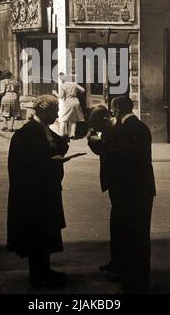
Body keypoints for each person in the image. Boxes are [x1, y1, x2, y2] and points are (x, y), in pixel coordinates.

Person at [7, 95, 71, 287]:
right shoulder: (26, 133)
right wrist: (50, 162)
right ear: (43, 112)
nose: (58, 114)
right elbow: (21, 167)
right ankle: (37, 275)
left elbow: (55, 145)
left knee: (45, 233)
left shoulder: (43, 129)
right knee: (37, 234)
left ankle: (45, 270)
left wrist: (61, 145)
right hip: (33, 195)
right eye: (54, 111)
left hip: (45, 192)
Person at [96, 96, 155, 293]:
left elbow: (115, 154)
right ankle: (126, 270)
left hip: (132, 191)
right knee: (129, 232)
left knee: (134, 235)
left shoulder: (128, 129)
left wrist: (95, 142)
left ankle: (135, 281)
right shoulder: (137, 127)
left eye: (114, 111)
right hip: (135, 189)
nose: (113, 115)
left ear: (119, 110)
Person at [87, 105, 120, 280]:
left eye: (98, 127)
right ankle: (116, 261)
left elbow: (111, 154)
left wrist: (95, 141)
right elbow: (103, 152)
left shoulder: (120, 131)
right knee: (116, 225)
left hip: (123, 186)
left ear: (106, 120)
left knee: (122, 225)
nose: (97, 130)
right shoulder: (108, 131)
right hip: (114, 184)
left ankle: (121, 264)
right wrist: (94, 141)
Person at [56, 73, 85, 138]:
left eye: (60, 78)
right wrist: (77, 92)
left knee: (63, 119)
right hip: (76, 101)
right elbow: (83, 90)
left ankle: (61, 135)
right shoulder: (74, 84)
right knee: (74, 119)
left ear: (62, 78)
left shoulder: (63, 86)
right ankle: (72, 134)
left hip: (69, 102)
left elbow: (61, 96)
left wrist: (55, 93)